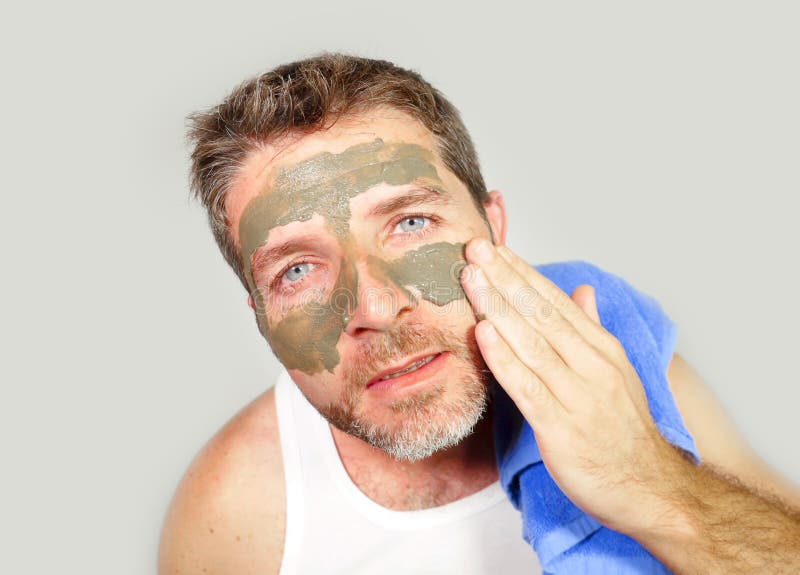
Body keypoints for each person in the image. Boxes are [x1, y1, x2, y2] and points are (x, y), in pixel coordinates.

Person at [158, 53, 800, 574]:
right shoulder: (234, 515)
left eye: (410, 223)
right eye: (297, 269)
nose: (377, 307)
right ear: (259, 313)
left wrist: (654, 484)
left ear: (493, 230)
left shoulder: (618, 382)